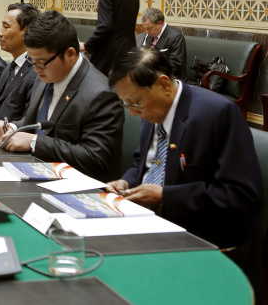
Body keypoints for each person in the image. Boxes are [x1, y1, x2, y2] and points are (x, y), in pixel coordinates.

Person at [106, 47, 261, 252]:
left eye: (135, 103)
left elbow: (241, 195)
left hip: (197, 239)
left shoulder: (217, 114)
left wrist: (166, 196)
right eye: (126, 105)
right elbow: (143, 164)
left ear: (163, 85)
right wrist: (127, 181)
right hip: (143, 224)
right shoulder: (152, 109)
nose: (133, 113)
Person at [0, 10, 123, 182]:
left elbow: (96, 158)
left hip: (74, 187)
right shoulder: (45, 75)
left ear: (70, 53)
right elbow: (41, 122)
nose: (35, 69)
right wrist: (13, 128)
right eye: (32, 61)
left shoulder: (100, 94)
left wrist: (35, 142)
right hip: (33, 172)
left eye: (40, 63)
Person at [0, 3, 40, 132]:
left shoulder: (37, 73)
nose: (0, 33)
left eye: (6, 27)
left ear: (27, 32)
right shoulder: (9, 68)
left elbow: (29, 121)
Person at [136, 7, 187, 80]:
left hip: (169, 81)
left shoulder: (176, 38)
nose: (147, 31)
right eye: (145, 28)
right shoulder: (143, 37)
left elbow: (175, 66)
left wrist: (149, 72)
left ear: (160, 23)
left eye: (149, 28)